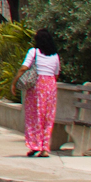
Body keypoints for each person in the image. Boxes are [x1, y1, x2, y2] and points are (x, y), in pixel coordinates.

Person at [20, 28, 61, 158]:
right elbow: (56, 73)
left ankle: (34, 144)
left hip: (37, 85)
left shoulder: (34, 52)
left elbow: (24, 67)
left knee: (34, 115)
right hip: (50, 85)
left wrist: (15, 80)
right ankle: (44, 147)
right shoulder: (55, 55)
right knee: (47, 117)